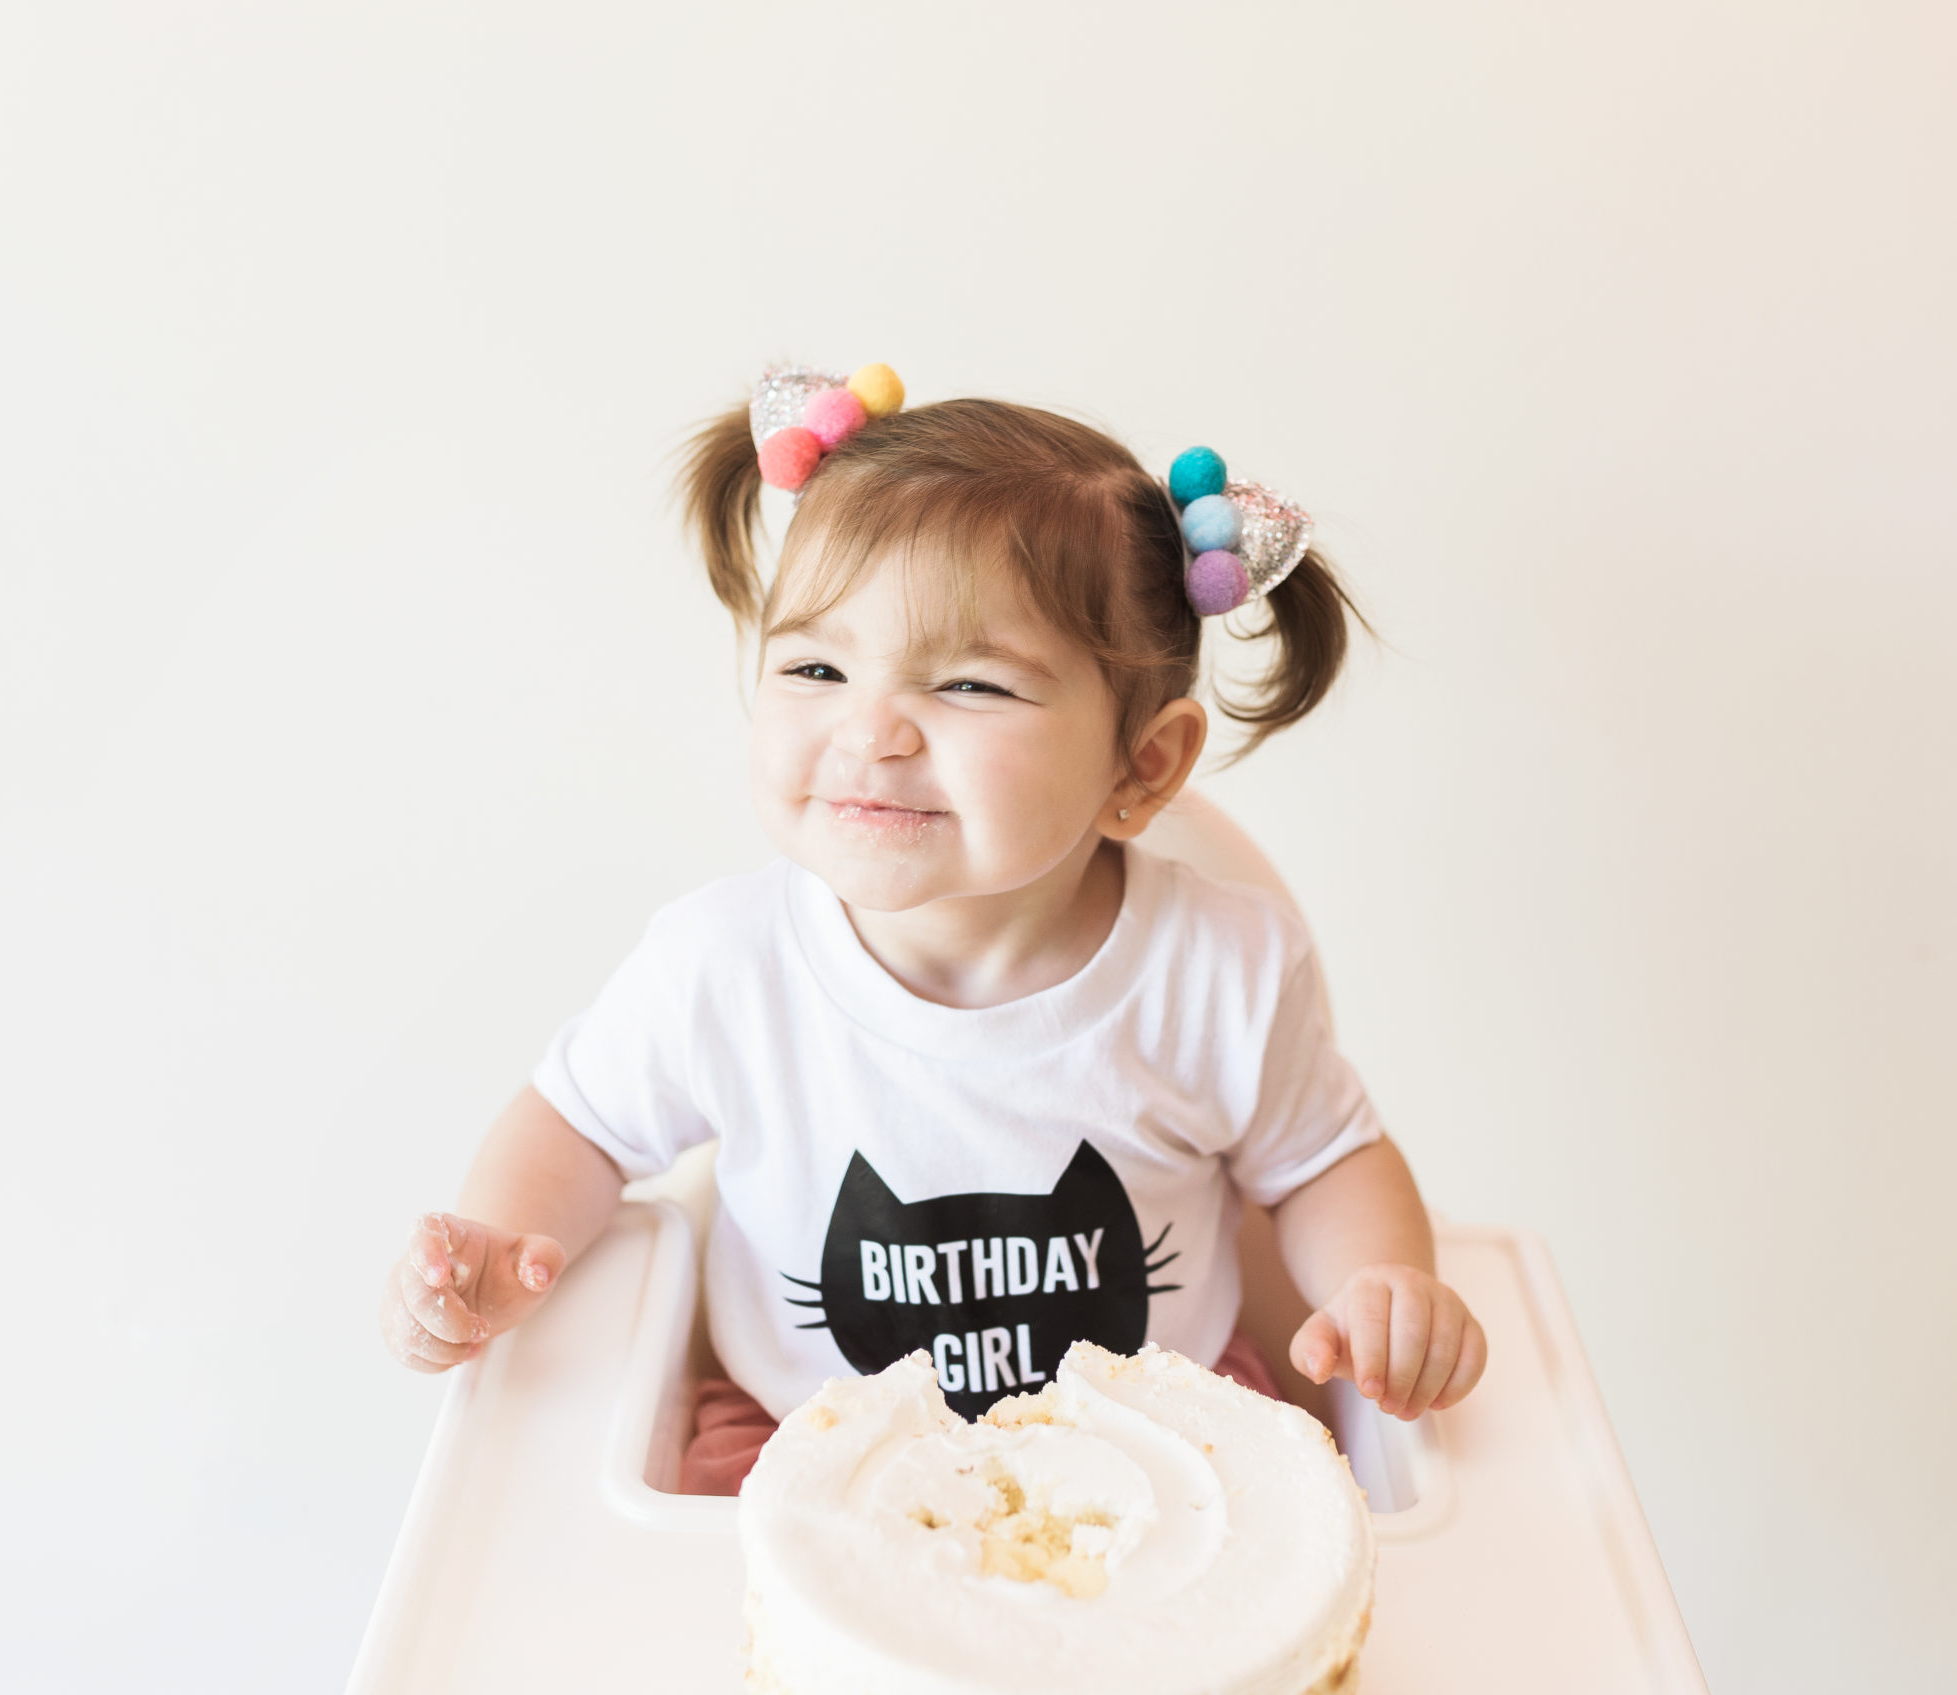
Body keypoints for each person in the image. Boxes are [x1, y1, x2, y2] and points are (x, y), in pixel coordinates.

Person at [377, 365, 1487, 1494]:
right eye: (816, 666)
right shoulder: (724, 966)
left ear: (1141, 763)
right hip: (801, 1445)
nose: (872, 729)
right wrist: (501, 1243)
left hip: (1156, 1444)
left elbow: (1324, 1161)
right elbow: (577, 1122)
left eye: (968, 684)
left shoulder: (1218, 970)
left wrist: (1381, 1283)